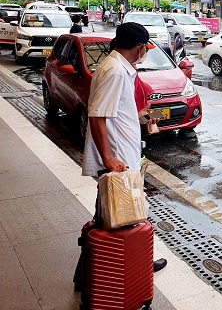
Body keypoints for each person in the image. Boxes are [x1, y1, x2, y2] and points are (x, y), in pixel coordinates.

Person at [81, 22, 167, 273]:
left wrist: (139, 115)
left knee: (111, 216)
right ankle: (128, 266)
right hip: (118, 160)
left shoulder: (116, 67)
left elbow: (113, 112)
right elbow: (97, 115)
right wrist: (108, 159)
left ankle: (102, 267)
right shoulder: (116, 71)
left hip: (123, 154)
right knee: (123, 215)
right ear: (140, 48)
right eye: (146, 48)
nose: (146, 53)